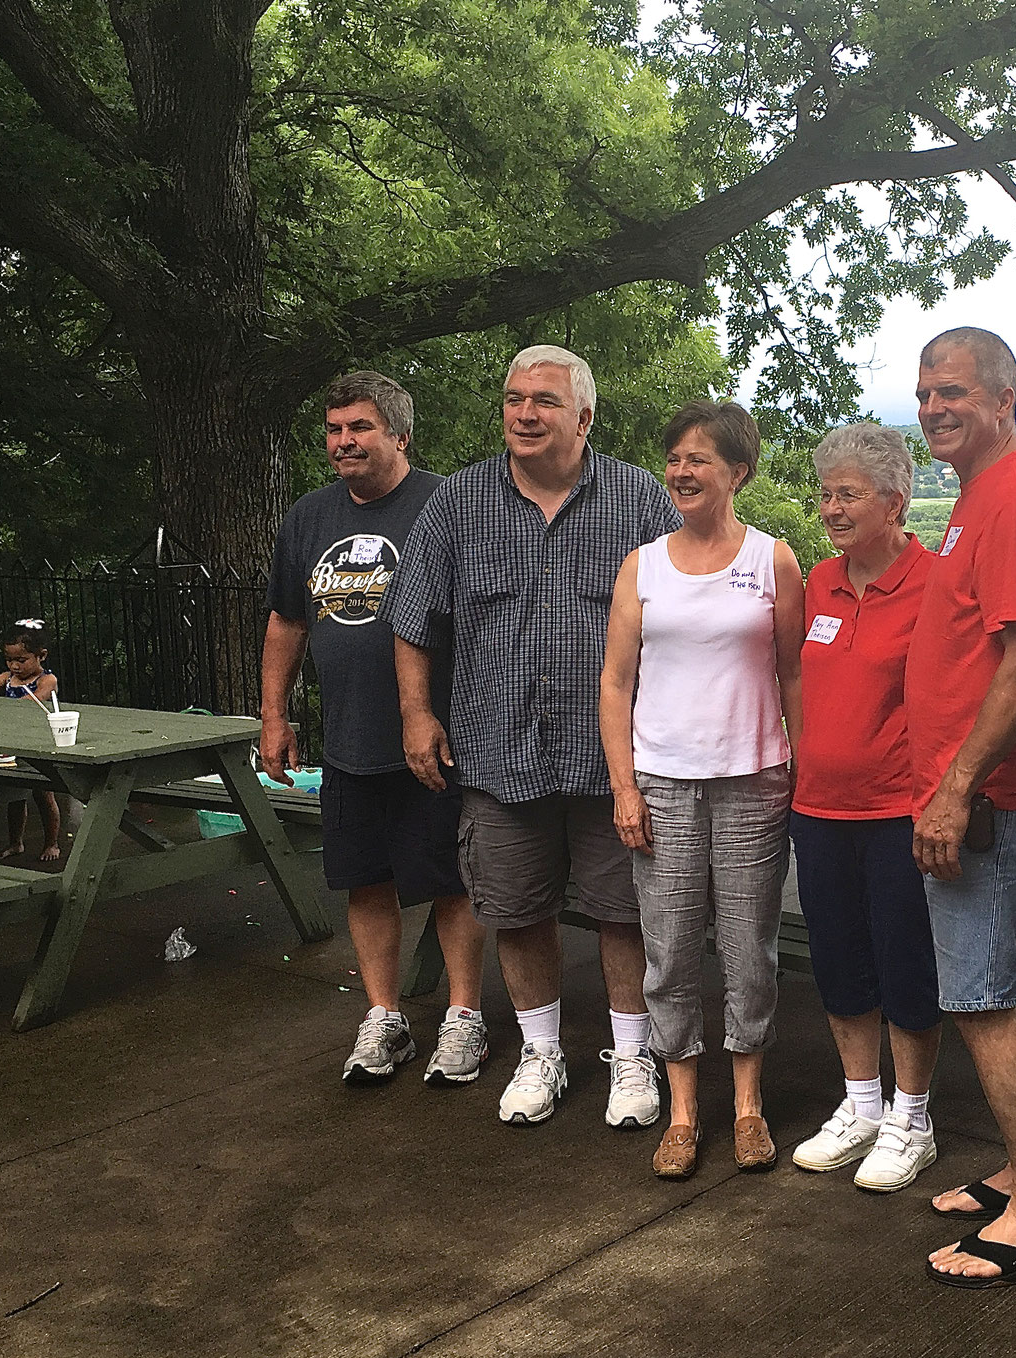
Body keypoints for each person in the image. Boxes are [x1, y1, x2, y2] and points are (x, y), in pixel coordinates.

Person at [385, 346, 678, 1129]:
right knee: (514, 908)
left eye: (544, 401)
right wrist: (418, 715)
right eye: (515, 399)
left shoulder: (639, 500)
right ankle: (541, 1052)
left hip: (612, 756)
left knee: (624, 911)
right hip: (498, 749)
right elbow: (412, 619)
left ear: (584, 418)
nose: (524, 413)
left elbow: (685, 615)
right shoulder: (458, 502)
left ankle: (632, 1059)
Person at [907, 328, 1016, 1289]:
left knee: (976, 1000)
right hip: (981, 793)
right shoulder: (983, 496)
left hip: (989, 800)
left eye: (955, 393)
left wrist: (954, 786)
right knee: (1012, 980)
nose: (935, 407)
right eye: (927, 392)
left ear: (1005, 397)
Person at [263, 370, 490, 1086]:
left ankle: (462, 1019)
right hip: (350, 738)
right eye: (334, 430)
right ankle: (385, 1017)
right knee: (365, 881)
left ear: (399, 434)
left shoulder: (446, 504)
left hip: (438, 736)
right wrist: (274, 712)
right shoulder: (307, 518)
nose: (343, 442)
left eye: (359, 427)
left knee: (449, 880)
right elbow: (287, 619)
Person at [599, 400, 804, 1179]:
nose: (682, 471)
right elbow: (615, 684)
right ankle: (683, 1111)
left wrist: (803, 767)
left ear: (737, 472)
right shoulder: (642, 564)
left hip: (754, 780)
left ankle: (747, 1105)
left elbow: (792, 675)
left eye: (700, 459)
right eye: (675, 457)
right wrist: (625, 787)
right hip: (661, 784)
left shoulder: (772, 560)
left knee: (750, 950)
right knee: (671, 950)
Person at [786, 423, 944, 1192]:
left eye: (848, 494)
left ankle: (912, 1118)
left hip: (896, 812)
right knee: (840, 961)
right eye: (826, 494)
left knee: (906, 965)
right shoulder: (818, 581)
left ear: (895, 499)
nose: (831, 508)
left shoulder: (935, 583)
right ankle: (862, 1107)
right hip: (818, 810)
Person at [0, 618, 61, 863]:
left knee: (44, 795)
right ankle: (16, 842)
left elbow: (30, 705)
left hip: (40, 744)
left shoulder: (47, 681)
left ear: (41, 656)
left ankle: (52, 842)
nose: (14, 665)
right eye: (9, 659)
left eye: (21, 660)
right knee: (15, 794)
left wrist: (1, 708)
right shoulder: (6, 678)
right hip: (15, 744)